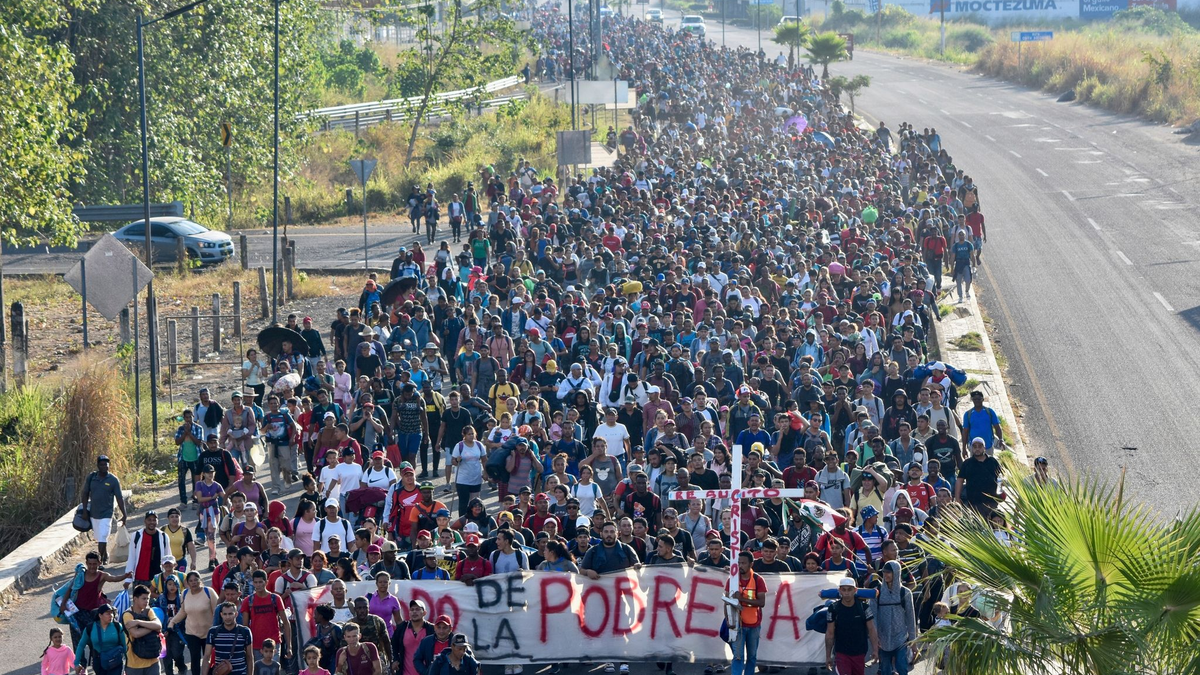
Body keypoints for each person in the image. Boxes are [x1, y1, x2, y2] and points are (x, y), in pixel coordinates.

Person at [79, 455, 127, 565]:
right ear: (98, 466)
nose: (104, 466)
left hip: (107, 513)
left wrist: (124, 514)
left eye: (106, 464)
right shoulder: (92, 478)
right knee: (99, 537)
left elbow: (119, 498)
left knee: (103, 536)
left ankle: (98, 562)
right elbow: (85, 494)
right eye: (102, 464)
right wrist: (85, 511)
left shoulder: (113, 480)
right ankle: (104, 555)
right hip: (94, 513)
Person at [825, 578, 879, 675]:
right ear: (840, 591)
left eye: (849, 589)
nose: (846, 593)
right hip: (841, 653)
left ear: (855, 590)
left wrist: (875, 649)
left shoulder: (864, 608)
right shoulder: (833, 608)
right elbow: (830, 633)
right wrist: (828, 656)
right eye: (844, 590)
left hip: (860, 653)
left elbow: (871, 629)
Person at [872, 560, 917, 675]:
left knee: (902, 668)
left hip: (901, 638)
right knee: (885, 671)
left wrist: (913, 642)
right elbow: (874, 617)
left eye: (889, 572)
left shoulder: (905, 593)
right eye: (884, 572)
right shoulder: (877, 593)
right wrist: (875, 637)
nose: (886, 575)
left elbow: (911, 618)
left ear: (897, 573)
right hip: (883, 639)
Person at [240, 570, 291, 664]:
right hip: (255, 645)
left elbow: (286, 623)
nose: (258, 585)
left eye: (260, 582)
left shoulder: (275, 598)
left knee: (273, 670)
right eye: (255, 582)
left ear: (266, 582)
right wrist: (245, 646)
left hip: (274, 643)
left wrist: (289, 646)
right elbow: (245, 627)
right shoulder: (248, 601)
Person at [732, 550, 767, 675]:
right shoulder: (732, 579)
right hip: (737, 625)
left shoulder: (758, 580)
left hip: (753, 625)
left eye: (743, 563)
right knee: (738, 656)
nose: (740, 566)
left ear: (751, 564)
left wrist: (741, 599)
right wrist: (728, 619)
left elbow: (761, 602)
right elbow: (726, 601)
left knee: (752, 657)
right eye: (738, 563)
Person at [955, 437, 1003, 515]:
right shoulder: (967, 463)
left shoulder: (992, 461)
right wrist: (957, 498)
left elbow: (1000, 477)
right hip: (974, 503)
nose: (977, 449)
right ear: (971, 448)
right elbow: (960, 480)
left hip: (991, 502)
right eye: (975, 446)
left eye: (980, 446)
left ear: (984, 447)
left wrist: (1000, 492)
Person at [122, 584, 162, 675]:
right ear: (135, 599)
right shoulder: (128, 615)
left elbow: (159, 625)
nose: (147, 601)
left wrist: (138, 622)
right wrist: (152, 628)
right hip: (135, 664)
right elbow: (135, 633)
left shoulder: (148, 611)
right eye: (144, 599)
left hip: (153, 660)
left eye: (148, 598)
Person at [73, 603, 124, 675]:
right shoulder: (90, 628)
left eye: (112, 613)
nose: (111, 616)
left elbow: (125, 644)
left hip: (115, 660)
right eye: (107, 613)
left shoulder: (117, 626)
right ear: (100, 615)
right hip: (99, 661)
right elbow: (81, 645)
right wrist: (77, 662)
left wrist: (128, 662)